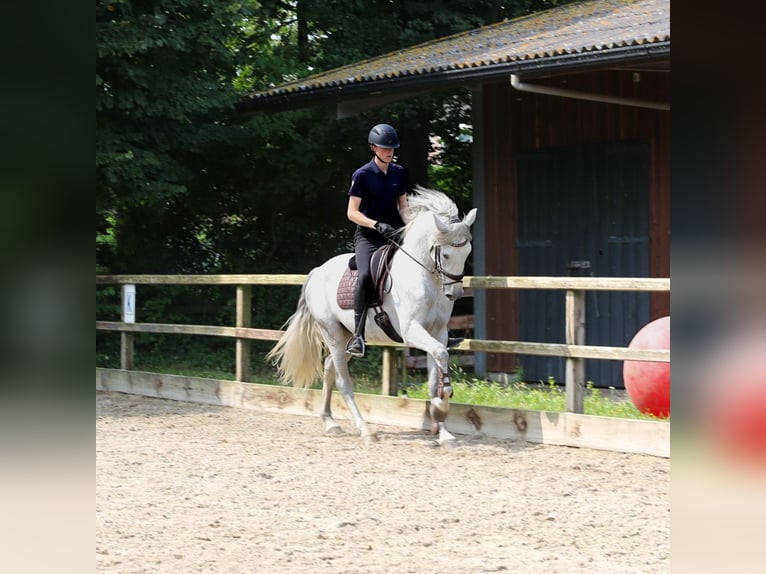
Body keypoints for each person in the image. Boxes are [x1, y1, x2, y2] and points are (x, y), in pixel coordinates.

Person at [345, 123, 411, 357]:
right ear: (374, 148)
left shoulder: (399, 172)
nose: (389, 151)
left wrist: (411, 226)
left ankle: (436, 325)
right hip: (369, 237)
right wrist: (375, 224)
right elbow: (351, 213)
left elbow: (403, 206)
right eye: (384, 148)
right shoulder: (362, 175)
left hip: (394, 234)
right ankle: (358, 336)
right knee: (365, 276)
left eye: (392, 147)